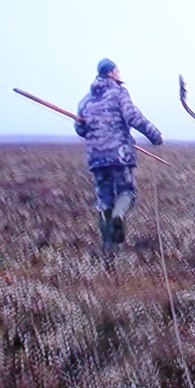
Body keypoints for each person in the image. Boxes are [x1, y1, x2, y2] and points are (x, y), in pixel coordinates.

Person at [75, 58, 163, 248]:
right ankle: (119, 216)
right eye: (117, 71)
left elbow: (80, 129)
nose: (119, 74)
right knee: (126, 192)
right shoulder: (119, 93)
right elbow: (133, 117)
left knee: (103, 199)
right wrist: (154, 135)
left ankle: (109, 247)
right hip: (120, 155)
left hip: (96, 157)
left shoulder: (85, 100)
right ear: (110, 73)